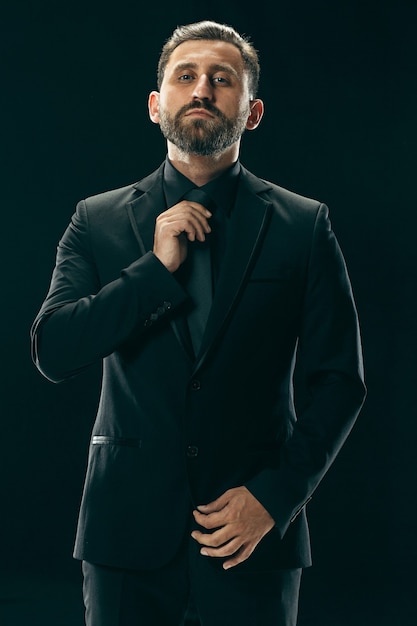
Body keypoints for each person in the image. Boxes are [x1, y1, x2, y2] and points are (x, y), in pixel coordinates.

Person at [31, 20, 366, 626]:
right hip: (124, 538)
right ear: (156, 105)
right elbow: (55, 349)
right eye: (185, 77)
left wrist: (274, 498)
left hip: (252, 539)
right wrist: (154, 272)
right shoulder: (95, 220)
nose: (202, 90)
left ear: (253, 111)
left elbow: (339, 381)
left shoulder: (303, 225)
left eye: (222, 79)